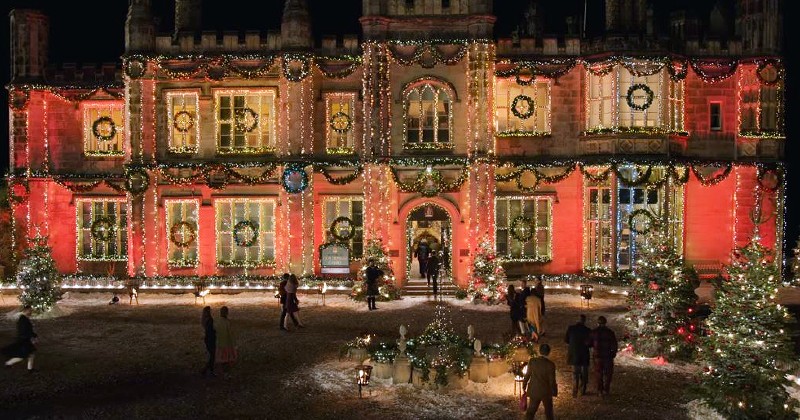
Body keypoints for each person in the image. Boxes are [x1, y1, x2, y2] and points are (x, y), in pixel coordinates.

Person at [522, 343, 557, 420]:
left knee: (531, 411)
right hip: (546, 392)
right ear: (548, 352)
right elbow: (552, 381)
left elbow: (527, 375)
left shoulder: (532, 361)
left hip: (534, 390)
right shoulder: (551, 364)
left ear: (539, 351)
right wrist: (554, 391)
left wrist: (524, 385)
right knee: (549, 412)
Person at [3, 306, 37, 372]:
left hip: (25, 339)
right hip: (24, 340)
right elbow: (25, 330)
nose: (31, 312)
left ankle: (30, 369)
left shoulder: (24, 318)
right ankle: (8, 363)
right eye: (30, 310)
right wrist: (32, 336)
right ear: (26, 310)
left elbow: (28, 330)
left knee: (30, 354)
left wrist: (33, 336)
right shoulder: (23, 319)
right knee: (23, 356)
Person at [565, 314, 592, 397]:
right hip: (584, 354)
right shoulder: (588, 330)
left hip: (574, 353)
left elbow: (566, 340)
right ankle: (582, 390)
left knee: (575, 373)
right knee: (584, 373)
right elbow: (590, 343)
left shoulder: (571, 329)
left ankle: (575, 390)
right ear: (584, 321)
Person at [591, 315, 618, 397]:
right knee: (608, 374)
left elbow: (588, 342)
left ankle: (600, 390)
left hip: (597, 356)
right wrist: (613, 353)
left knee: (599, 374)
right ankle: (606, 389)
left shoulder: (594, 332)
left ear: (598, 323)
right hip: (607, 356)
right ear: (605, 323)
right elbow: (614, 345)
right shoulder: (610, 332)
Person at [215, 306, 237, 371]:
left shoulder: (217, 321)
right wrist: (233, 341)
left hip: (220, 341)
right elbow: (230, 333)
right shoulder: (227, 322)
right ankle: (226, 362)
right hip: (226, 341)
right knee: (226, 352)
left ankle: (222, 362)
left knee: (221, 352)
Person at [200, 306, 216, 377]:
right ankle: (207, 370)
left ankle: (206, 370)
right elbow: (211, 330)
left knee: (212, 356)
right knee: (212, 356)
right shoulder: (209, 320)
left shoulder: (205, 320)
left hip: (208, 339)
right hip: (211, 339)